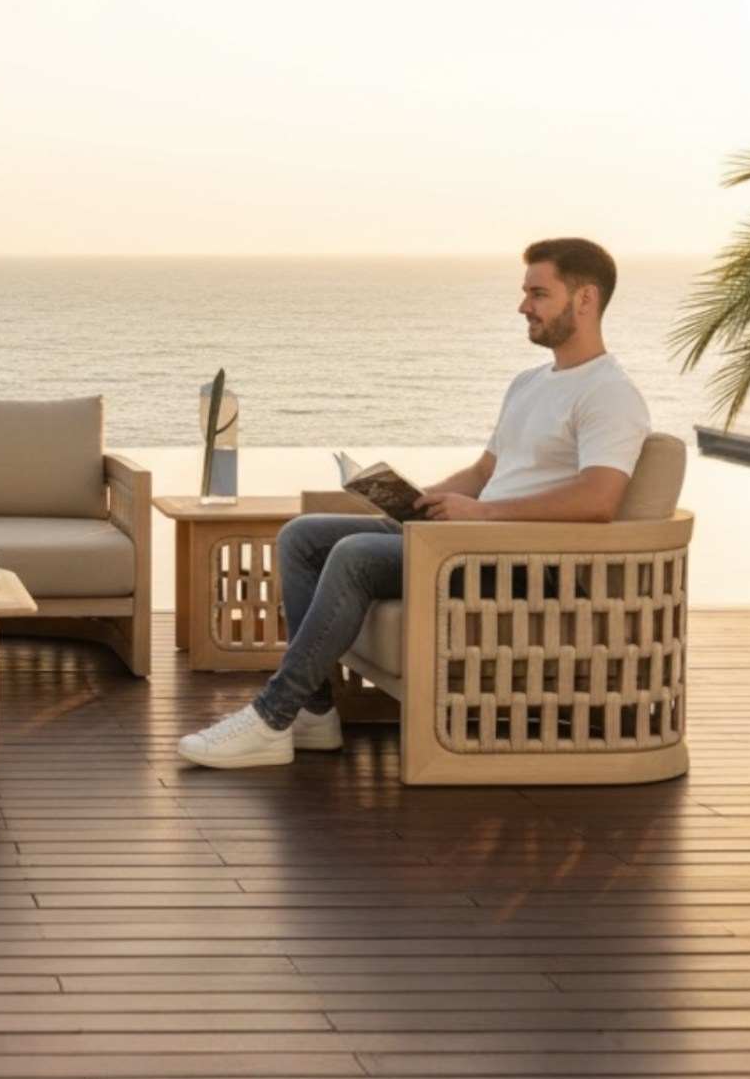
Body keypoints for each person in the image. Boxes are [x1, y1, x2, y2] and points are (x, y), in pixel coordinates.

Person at [177, 238, 651, 770]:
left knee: (355, 555)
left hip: (521, 562)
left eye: (539, 294)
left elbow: (599, 498)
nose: (523, 307)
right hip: (470, 542)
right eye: (524, 293)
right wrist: (421, 499)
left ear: (585, 299)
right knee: (302, 535)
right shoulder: (530, 382)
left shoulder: (610, 393)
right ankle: (313, 714)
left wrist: (484, 514)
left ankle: (272, 715)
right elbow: (484, 473)